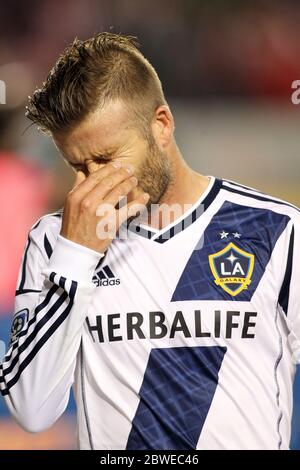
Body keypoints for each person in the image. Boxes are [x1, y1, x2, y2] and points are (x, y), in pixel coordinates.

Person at [0, 32, 299, 450]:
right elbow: (32, 412)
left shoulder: (276, 230)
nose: (92, 184)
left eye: (106, 159)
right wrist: (76, 255)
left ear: (161, 125)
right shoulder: (55, 241)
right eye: (77, 167)